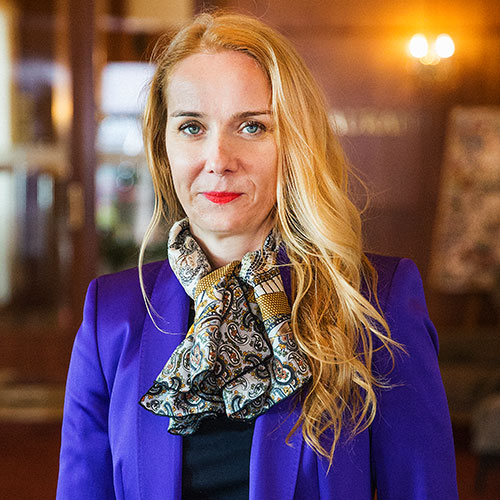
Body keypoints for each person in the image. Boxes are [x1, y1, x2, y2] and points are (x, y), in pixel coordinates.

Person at [56, 11, 458, 500]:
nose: (218, 160)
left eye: (251, 126)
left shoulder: (376, 301)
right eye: (191, 127)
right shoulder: (112, 316)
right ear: (163, 149)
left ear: (293, 143)